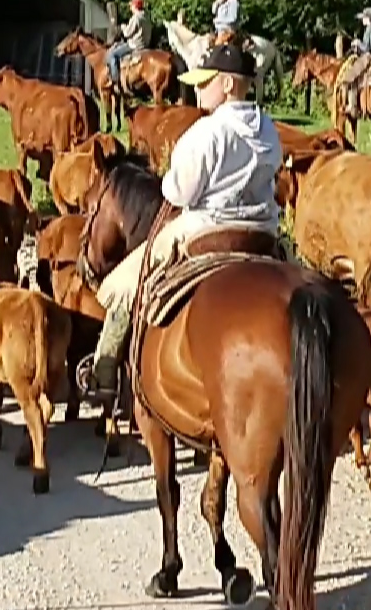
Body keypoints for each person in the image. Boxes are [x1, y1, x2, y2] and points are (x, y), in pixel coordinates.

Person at [77, 37, 283, 395]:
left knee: (127, 282)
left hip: (206, 226)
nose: (198, 89)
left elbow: (176, 193)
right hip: (263, 229)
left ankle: (105, 368)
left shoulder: (207, 132)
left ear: (228, 84)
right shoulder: (268, 128)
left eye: (205, 82)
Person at [335, 6, 371, 120]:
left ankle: (352, 107)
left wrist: (357, 43)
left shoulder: (370, 30)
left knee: (349, 77)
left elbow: (367, 48)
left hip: (369, 57)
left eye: (364, 18)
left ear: (369, 19)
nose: (362, 20)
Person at [105, 0, 152, 92]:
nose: (130, 8)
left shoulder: (136, 18)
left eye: (131, 6)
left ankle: (115, 80)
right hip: (145, 45)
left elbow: (127, 33)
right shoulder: (146, 17)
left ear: (135, 6)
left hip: (134, 45)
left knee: (113, 54)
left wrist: (123, 27)